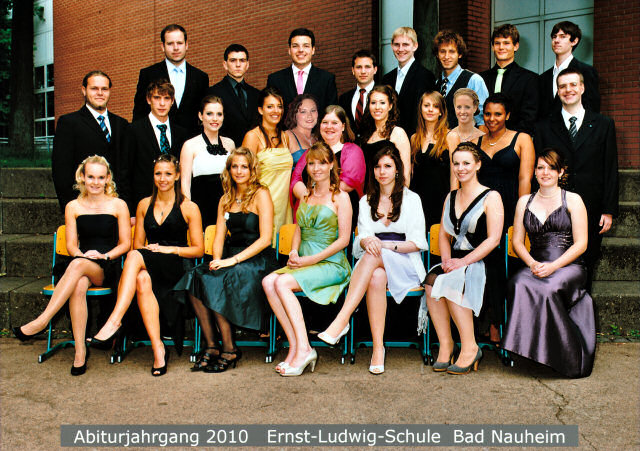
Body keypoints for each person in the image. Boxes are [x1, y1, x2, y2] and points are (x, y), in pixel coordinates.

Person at [13, 156, 131, 376]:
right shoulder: (73, 206)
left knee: (77, 267)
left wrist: (104, 256)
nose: (95, 182)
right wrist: (81, 256)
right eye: (91, 177)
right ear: (82, 178)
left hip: (107, 265)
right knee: (78, 284)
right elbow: (70, 245)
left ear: (108, 179)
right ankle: (80, 352)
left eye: (100, 177)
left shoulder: (118, 205)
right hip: (80, 262)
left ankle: (42, 321)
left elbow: (125, 243)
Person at [319, 143, 427, 375]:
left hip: (406, 262)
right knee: (376, 276)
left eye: (387, 166)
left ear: (397, 169)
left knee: (374, 255)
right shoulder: (365, 201)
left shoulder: (412, 199)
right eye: (377, 167)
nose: (382, 171)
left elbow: (418, 242)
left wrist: (385, 246)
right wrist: (367, 241)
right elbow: (362, 238)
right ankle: (378, 348)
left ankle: (342, 319)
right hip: (376, 263)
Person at [91, 155, 204, 376]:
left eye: (168, 173)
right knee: (141, 278)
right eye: (158, 173)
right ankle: (158, 349)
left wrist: (169, 249)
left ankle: (115, 320)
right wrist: (153, 251)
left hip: (176, 267)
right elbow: (138, 245)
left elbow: (198, 250)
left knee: (134, 257)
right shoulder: (144, 204)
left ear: (177, 176)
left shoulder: (189, 207)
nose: (163, 178)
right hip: (150, 263)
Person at [174, 148, 279, 372]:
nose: (239, 171)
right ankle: (212, 345)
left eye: (244, 167)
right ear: (229, 169)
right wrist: (217, 261)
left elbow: (265, 239)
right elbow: (219, 238)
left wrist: (232, 261)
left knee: (217, 281)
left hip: (257, 259)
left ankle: (230, 349)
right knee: (195, 276)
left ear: (252, 170)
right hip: (231, 257)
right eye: (234, 166)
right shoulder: (225, 199)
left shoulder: (261, 194)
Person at [502, 149, 595, 378]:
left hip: (569, 266)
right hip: (536, 263)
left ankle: (564, 356)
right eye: (540, 167)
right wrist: (532, 263)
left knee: (549, 288)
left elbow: (581, 244)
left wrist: (553, 267)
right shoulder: (524, 201)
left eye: (551, 168)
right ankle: (534, 351)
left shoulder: (573, 200)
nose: (545, 173)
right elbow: (517, 242)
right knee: (518, 282)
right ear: (534, 172)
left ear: (561, 172)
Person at [262, 142, 352, 376]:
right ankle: (295, 346)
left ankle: (304, 349)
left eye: (321, 163)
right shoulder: (305, 195)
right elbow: (299, 229)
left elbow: (344, 240)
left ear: (331, 165)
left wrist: (311, 260)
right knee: (268, 282)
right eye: (311, 163)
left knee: (282, 283)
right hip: (304, 260)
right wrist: (293, 251)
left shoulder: (341, 197)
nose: (316, 168)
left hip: (331, 263)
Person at [422, 142, 503, 374]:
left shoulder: (491, 196)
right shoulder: (451, 196)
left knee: (451, 281)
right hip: (455, 259)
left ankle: (470, 348)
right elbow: (444, 235)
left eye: (466, 163)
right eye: (456, 163)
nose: (461, 168)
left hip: (483, 261)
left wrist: (462, 263)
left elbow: (493, 240)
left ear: (478, 165)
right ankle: (446, 344)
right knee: (431, 281)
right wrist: (447, 261)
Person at [534, 68, 618, 291]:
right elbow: (539, 170)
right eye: (562, 86)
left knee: (586, 263)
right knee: (554, 265)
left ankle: (582, 310)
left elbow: (610, 168)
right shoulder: (543, 127)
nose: (568, 90)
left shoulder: (603, 124)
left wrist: (608, 210)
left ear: (582, 88)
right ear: (557, 91)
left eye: (573, 85)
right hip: (554, 208)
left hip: (591, 207)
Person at [52, 71, 130, 213]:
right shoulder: (69, 123)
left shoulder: (122, 124)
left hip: (117, 207)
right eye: (94, 88)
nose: (100, 93)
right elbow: (61, 171)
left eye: (104, 89)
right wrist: (72, 209)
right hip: (84, 207)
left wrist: (126, 207)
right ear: (84, 90)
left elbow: (127, 169)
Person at [290, 105, 365, 221]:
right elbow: (296, 179)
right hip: (309, 214)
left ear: (343, 126)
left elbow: (347, 184)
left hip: (337, 216)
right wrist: (308, 199)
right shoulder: (310, 152)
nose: (329, 126)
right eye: (325, 122)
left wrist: (318, 198)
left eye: (334, 123)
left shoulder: (353, 151)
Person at [132, 24, 209, 136]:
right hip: (159, 139)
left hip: (192, 140)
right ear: (162, 46)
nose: (176, 48)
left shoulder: (201, 77)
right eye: (170, 43)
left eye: (179, 43)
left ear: (186, 45)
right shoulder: (148, 74)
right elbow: (139, 113)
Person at [128, 79, 189, 217]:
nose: (162, 103)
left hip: (175, 207)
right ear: (148, 99)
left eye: (166, 98)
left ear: (172, 101)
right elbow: (126, 172)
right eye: (157, 98)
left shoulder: (181, 133)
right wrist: (131, 212)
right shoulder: (133, 130)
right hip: (143, 206)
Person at [242, 87, 293, 246]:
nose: (276, 111)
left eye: (279, 106)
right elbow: (243, 176)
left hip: (284, 206)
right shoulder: (252, 137)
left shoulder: (285, 137)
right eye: (270, 106)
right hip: (262, 206)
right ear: (260, 110)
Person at [477, 93, 535, 227]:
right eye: (487, 114)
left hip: (510, 206)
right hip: (480, 208)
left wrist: (521, 215)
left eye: (498, 114)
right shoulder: (475, 141)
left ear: (507, 115)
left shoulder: (522, 139)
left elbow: (525, 179)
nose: (492, 119)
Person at [180, 95, 235, 228]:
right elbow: (185, 184)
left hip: (228, 208)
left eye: (219, 114)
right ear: (200, 116)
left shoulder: (230, 144)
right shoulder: (189, 145)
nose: (215, 118)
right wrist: (189, 215)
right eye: (209, 114)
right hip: (201, 211)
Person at [480, 24, 539, 136]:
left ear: (516, 46)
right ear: (492, 47)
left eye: (506, 43)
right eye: (497, 43)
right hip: (483, 139)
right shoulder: (480, 78)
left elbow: (529, 118)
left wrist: (506, 139)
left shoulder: (530, 79)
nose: (501, 47)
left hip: (514, 141)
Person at [266, 28, 338, 116]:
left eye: (306, 46)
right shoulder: (275, 80)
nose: (300, 50)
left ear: (313, 50)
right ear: (289, 50)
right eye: (295, 46)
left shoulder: (327, 79)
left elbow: (331, 114)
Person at [410, 91, 454, 228]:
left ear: (441, 112)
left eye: (435, 106)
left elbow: (455, 175)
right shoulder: (414, 138)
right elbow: (412, 173)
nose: (430, 109)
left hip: (440, 199)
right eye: (426, 105)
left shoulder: (450, 136)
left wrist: (452, 202)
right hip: (417, 201)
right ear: (420, 108)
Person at [538, 21, 600, 119]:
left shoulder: (586, 71)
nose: (556, 40)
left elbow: (592, 109)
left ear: (574, 41)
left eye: (563, 37)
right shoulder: (542, 78)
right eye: (554, 36)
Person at [381, 27, 436, 136]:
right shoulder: (386, 78)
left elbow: (422, 114)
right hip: (388, 138)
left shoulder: (425, 76)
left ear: (415, 46)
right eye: (397, 44)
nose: (401, 49)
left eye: (405, 45)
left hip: (414, 138)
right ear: (391, 46)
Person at [206, 44, 261, 148]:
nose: (238, 65)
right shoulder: (213, 92)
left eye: (242, 60)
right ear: (225, 64)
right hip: (225, 150)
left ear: (247, 64)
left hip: (253, 150)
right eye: (233, 60)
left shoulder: (257, 94)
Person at [433, 30, 489, 128]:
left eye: (452, 52)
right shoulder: (437, 83)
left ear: (460, 54)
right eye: (442, 51)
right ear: (437, 54)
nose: (446, 56)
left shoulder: (473, 80)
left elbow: (482, 121)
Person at [360, 85, 411, 187]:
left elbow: (406, 174)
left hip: (392, 193)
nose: (377, 107)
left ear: (390, 106)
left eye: (382, 103)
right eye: (373, 103)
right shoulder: (367, 135)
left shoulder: (398, 133)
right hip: (369, 192)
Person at [338, 50, 378, 138]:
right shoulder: (344, 99)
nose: (363, 71)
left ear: (375, 70)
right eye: (359, 67)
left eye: (367, 67)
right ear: (353, 70)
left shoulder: (384, 95)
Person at [445, 88, 485, 153]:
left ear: (475, 108)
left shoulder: (483, 138)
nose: (462, 111)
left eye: (467, 107)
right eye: (459, 107)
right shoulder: (446, 136)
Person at [284, 94, 319, 168]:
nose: (309, 115)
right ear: (295, 115)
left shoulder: (318, 139)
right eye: (303, 112)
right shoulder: (287, 136)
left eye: (313, 110)